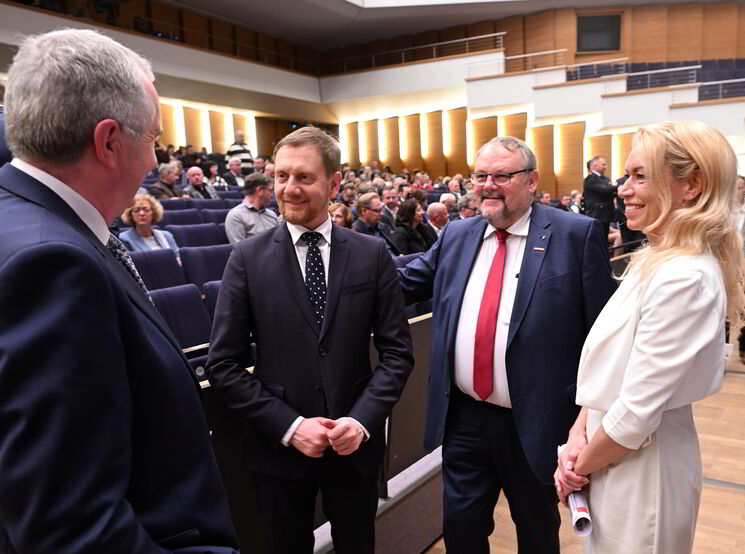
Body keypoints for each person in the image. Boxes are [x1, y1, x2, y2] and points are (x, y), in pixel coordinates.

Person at [0, 28, 237, 552]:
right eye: (152, 139)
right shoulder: (53, 265)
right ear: (108, 142)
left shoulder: (18, 220)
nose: (153, 161)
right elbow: (72, 526)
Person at [397, 136, 615, 553]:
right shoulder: (457, 234)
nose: (487, 186)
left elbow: (603, 337)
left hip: (536, 421)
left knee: (536, 531)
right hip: (464, 418)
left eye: (501, 176)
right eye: (480, 176)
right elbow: (403, 284)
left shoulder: (575, 234)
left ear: (532, 180)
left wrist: (586, 422)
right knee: (461, 529)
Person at [206, 126, 414, 554]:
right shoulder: (246, 258)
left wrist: (362, 421)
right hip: (278, 449)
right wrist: (291, 426)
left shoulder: (372, 254)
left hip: (354, 447)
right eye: (281, 176)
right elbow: (223, 366)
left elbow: (397, 354)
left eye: (304, 177)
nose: (289, 188)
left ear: (334, 184)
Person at [555, 121, 745, 554]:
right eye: (626, 176)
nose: (623, 189)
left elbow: (636, 413)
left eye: (640, 176)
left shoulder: (685, 277)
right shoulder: (655, 260)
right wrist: (578, 433)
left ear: (692, 185)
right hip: (609, 451)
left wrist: (574, 468)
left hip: (643, 467)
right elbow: (609, 372)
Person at [119, 194, 180, 258]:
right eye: (136, 210)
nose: (142, 213)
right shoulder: (124, 238)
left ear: (154, 213)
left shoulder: (167, 235)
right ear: (130, 214)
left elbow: (178, 259)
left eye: (146, 210)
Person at [224, 172, 279, 243]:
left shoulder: (272, 215)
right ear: (259, 191)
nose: (272, 195)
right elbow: (239, 248)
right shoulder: (236, 216)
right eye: (270, 191)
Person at [583, 156, 618, 245]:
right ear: (595, 165)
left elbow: (609, 192)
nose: (605, 167)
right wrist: (618, 186)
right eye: (603, 164)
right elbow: (604, 190)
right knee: (597, 241)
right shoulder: (590, 179)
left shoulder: (605, 178)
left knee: (604, 240)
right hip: (597, 214)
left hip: (606, 214)